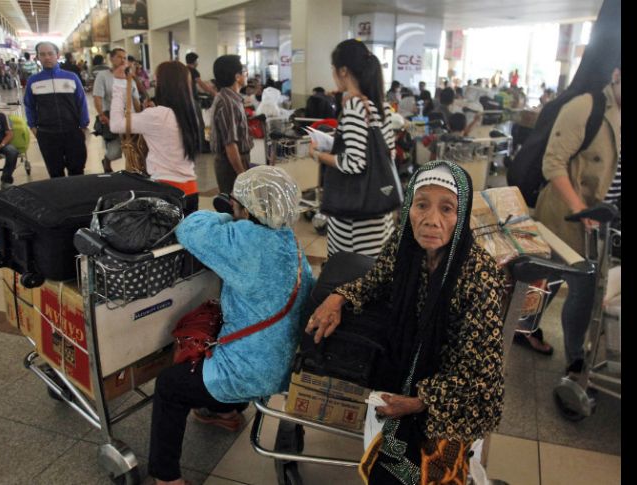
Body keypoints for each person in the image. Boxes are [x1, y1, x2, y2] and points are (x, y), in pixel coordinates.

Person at [306, 161, 506, 485]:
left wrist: (416, 402)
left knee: (424, 471)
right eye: (421, 204)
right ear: (409, 204)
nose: (431, 220)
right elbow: (378, 279)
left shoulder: (477, 276)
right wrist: (338, 297)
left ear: (463, 214)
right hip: (409, 366)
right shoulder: (405, 245)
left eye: (447, 209)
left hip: (451, 394)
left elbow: (479, 373)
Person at [146, 166, 314, 485]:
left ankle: (166, 478)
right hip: (286, 365)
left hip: (253, 371)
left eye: (237, 204)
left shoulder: (244, 241)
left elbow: (191, 227)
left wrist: (227, 217)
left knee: (169, 386)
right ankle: (224, 413)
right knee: (232, 344)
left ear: (246, 209)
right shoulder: (289, 241)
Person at [534, 66, 621, 375]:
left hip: (602, 220)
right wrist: (579, 209)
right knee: (578, 285)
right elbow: (552, 163)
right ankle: (575, 360)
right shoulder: (585, 107)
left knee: (555, 277)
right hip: (568, 215)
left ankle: (527, 328)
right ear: (616, 75)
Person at [308, 39, 395, 258]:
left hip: (355, 221)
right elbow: (389, 154)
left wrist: (318, 154)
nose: (333, 75)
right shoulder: (382, 106)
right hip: (378, 212)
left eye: (333, 69)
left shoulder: (356, 107)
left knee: (349, 279)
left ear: (344, 71)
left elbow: (355, 163)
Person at [109, 61, 202, 213]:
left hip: (165, 192)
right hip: (191, 191)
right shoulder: (189, 112)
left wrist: (119, 85)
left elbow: (116, 124)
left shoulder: (157, 115)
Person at [24, 42, 89, 178]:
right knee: (55, 173)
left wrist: (83, 126)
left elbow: (81, 101)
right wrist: (33, 127)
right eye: (42, 54)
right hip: (47, 135)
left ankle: (77, 198)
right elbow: (29, 106)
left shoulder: (71, 77)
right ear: (38, 57)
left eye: (50, 53)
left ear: (57, 55)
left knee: (77, 170)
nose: (47, 57)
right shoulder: (33, 81)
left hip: (73, 132)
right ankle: (61, 198)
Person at [93, 48, 141, 173]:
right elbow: (97, 97)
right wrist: (101, 114)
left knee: (132, 148)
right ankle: (107, 160)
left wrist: (141, 114)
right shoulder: (103, 76)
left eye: (124, 58)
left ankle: (131, 171)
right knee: (115, 151)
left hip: (130, 118)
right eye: (119, 57)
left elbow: (135, 98)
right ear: (111, 58)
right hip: (111, 116)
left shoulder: (129, 76)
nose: (122, 60)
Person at [209, 55, 253, 194]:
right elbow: (230, 145)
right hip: (231, 163)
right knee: (234, 208)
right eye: (244, 71)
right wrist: (241, 174)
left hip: (234, 160)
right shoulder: (228, 103)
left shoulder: (229, 98)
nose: (246, 74)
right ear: (237, 76)